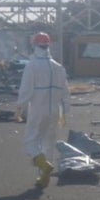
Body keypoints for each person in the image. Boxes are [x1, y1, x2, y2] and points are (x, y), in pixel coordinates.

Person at [16, 32, 70, 189]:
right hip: (54, 111)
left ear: (34, 45)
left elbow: (26, 90)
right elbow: (65, 92)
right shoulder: (58, 67)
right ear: (48, 46)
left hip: (38, 110)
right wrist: (64, 112)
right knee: (49, 143)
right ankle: (43, 179)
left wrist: (20, 108)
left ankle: (44, 167)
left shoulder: (31, 66)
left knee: (31, 142)